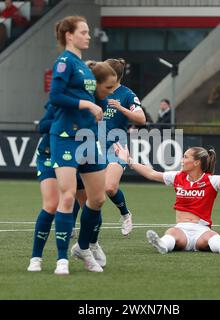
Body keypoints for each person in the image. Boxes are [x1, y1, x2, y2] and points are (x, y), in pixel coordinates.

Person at [47, 16, 114, 275]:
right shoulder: (64, 62)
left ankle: (83, 247)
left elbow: (91, 94)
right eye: (84, 32)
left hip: (87, 138)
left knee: (97, 199)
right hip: (65, 137)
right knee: (67, 196)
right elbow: (56, 97)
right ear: (69, 35)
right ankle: (61, 259)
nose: (89, 36)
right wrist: (87, 104)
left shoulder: (84, 66)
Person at [114, 139, 220, 255]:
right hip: (181, 229)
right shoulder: (177, 177)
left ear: (196, 162)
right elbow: (151, 174)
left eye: (185, 157)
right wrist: (129, 160)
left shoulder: (212, 180)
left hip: (202, 230)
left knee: (212, 237)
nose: (182, 160)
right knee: (171, 233)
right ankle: (162, 245)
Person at [27, 104, 87, 272]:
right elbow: (43, 126)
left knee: (90, 202)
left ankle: (89, 246)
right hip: (49, 153)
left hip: (77, 157)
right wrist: (62, 123)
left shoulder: (91, 103)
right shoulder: (60, 101)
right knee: (52, 204)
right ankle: (37, 258)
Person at [100, 58, 146, 236]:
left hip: (116, 146)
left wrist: (121, 108)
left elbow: (141, 119)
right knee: (82, 188)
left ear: (113, 75)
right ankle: (72, 224)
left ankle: (125, 214)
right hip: (93, 145)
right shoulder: (97, 91)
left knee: (110, 188)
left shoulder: (127, 94)